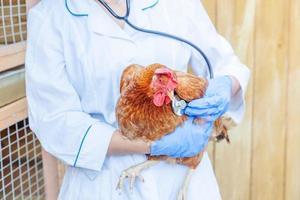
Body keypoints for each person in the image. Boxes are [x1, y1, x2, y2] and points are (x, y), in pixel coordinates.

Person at [25, 0, 250, 199]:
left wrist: (225, 86)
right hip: (105, 181)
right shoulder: (51, 17)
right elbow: (53, 120)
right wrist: (154, 145)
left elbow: (227, 63)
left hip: (183, 178)